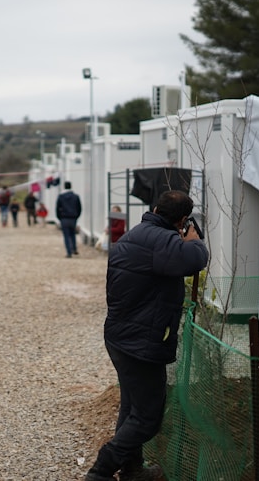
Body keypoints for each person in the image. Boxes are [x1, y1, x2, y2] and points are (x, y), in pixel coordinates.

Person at [85, 191, 208, 481]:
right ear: (181, 219)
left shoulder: (133, 236)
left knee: (132, 408)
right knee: (148, 417)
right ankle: (101, 470)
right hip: (142, 342)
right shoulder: (163, 242)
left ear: (154, 208)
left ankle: (132, 470)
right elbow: (195, 259)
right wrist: (193, 237)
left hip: (119, 335)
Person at [55, 181, 82, 258]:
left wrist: (59, 218)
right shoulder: (76, 196)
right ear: (71, 186)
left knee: (66, 235)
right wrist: (77, 216)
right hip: (73, 218)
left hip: (64, 218)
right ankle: (74, 248)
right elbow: (79, 208)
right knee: (73, 234)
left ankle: (69, 252)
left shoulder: (61, 196)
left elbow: (57, 208)